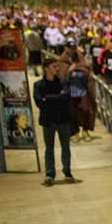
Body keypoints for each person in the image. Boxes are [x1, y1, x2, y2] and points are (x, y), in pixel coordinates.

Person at [33, 58, 73, 187]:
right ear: (46, 69)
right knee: (49, 148)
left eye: (58, 66)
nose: (57, 69)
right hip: (48, 121)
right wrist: (56, 98)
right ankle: (49, 173)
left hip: (63, 119)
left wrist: (48, 99)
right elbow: (39, 102)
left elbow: (66, 97)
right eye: (54, 66)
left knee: (65, 146)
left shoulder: (63, 83)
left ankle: (67, 171)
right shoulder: (39, 85)